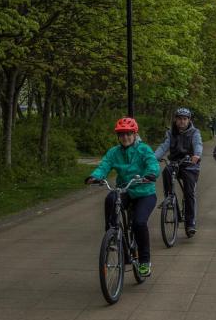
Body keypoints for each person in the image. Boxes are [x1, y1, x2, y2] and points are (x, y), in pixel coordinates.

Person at [85, 117, 159, 277]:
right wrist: (95, 176)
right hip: (124, 190)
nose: (125, 137)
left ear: (134, 134)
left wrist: (151, 174)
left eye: (128, 134)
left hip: (144, 192)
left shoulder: (144, 149)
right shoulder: (114, 152)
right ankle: (112, 235)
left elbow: (152, 163)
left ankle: (145, 261)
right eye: (121, 134)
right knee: (111, 198)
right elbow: (104, 165)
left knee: (139, 222)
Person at [154, 107, 203, 236]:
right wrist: (153, 158)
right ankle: (170, 200)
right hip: (175, 163)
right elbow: (163, 146)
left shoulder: (195, 132)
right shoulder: (171, 133)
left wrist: (197, 155)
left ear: (189, 120)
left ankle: (190, 223)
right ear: (175, 120)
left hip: (190, 165)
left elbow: (198, 144)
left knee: (189, 193)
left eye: (185, 119)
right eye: (180, 119)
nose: (182, 121)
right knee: (166, 171)